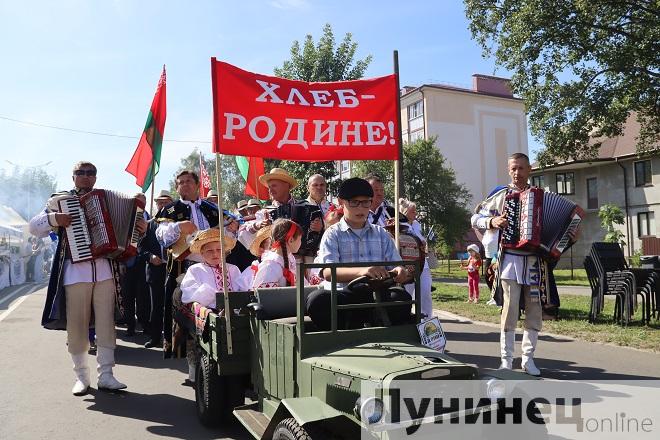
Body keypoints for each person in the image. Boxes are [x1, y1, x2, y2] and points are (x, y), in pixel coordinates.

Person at [29, 161, 147, 395]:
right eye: (80, 173)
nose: (85, 176)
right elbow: (33, 227)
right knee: (77, 327)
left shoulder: (108, 198)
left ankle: (107, 375)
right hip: (75, 274)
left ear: (95, 177)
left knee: (106, 324)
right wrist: (54, 220)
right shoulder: (59, 201)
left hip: (105, 272)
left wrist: (140, 228)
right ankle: (81, 376)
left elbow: (133, 234)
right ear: (73, 177)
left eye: (90, 173)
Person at [471, 152, 556, 376]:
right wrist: (492, 220)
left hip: (535, 264)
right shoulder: (501, 194)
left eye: (521, 168)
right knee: (509, 311)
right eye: (513, 169)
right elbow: (475, 218)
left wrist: (569, 234)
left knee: (534, 311)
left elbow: (557, 228)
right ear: (509, 170)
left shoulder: (543, 197)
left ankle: (528, 359)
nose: (517, 173)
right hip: (509, 261)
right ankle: (506, 360)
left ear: (530, 170)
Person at [306, 178, 412, 331]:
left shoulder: (381, 234)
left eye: (366, 202)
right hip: (343, 295)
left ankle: (383, 333)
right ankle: (340, 337)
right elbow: (328, 272)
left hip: (376, 293)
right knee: (317, 301)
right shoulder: (332, 234)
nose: (360, 208)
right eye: (354, 202)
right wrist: (362, 271)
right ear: (342, 202)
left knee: (402, 299)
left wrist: (400, 271)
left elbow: (396, 264)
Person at [155, 170, 221, 357]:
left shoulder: (211, 208)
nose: (185, 184)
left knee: (212, 307)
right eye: (181, 182)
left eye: (188, 181)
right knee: (186, 312)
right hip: (183, 266)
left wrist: (230, 227)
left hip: (212, 266)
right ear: (177, 188)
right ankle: (190, 360)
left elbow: (227, 232)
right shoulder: (170, 209)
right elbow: (162, 237)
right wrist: (178, 226)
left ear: (197, 184)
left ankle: (211, 351)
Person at [142, 190, 173, 348]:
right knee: (156, 307)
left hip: (175, 269)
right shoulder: (149, 225)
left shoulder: (179, 222)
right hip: (155, 270)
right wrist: (150, 257)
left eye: (165, 202)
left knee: (174, 305)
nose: (162, 205)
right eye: (159, 203)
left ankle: (173, 339)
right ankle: (155, 338)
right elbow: (141, 248)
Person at [398, 198, 433, 319]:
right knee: (407, 294)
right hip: (407, 264)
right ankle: (406, 319)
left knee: (425, 292)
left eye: (415, 211)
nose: (416, 214)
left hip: (422, 264)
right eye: (413, 211)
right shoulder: (399, 226)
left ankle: (427, 320)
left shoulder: (417, 225)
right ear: (404, 211)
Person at [120, 193, 149, 336]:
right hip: (128, 263)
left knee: (142, 296)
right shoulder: (126, 218)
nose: (139, 204)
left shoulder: (151, 219)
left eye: (142, 202)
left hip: (144, 264)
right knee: (128, 295)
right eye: (137, 201)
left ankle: (143, 323)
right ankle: (130, 325)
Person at [252, 219, 303, 289]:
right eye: (300, 239)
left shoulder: (291, 260)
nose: (301, 242)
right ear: (291, 240)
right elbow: (265, 296)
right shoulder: (270, 266)